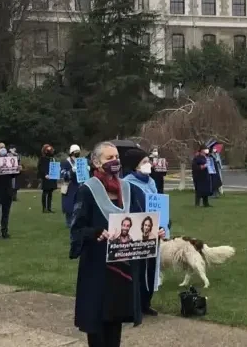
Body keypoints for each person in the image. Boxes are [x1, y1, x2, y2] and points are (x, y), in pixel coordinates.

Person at [70, 141, 165, 347]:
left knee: (115, 323)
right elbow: (76, 229)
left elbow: (141, 224)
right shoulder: (87, 191)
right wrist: (95, 233)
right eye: (109, 158)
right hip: (97, 269)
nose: (114, 162)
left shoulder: (130, 190)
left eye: (116, 158)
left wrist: (154, 233)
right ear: (96, 162)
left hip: (122, 269)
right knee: (97, 325)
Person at [121, 148, 161, 317]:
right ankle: (133, 304)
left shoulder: (151, 182)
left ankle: (146, 302)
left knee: (151, 269)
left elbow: (159, 204)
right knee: (136, 269)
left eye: (148, 161)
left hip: (154, 232)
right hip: (138, 232)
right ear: (135, 166)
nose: (148, 164)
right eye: (144, 162)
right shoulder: (127, 184)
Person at [61, 144, 83, 228]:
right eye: (75, 152)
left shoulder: (80, 161)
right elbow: (63, 175)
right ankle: (69, 222)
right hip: (68, 186)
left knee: (79, 205)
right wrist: (71, 171)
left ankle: (77, 221)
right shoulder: (66, 162)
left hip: (78, 186)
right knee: (69, 205)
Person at [37, 144, 58, 213]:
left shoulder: (53, 158)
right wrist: (44, 174)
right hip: (46, 177)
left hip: (52, 177)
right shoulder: (42, 158)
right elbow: (40, 168)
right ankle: (44, 208)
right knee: (45, 192)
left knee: (50, 193)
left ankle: (49, 208)